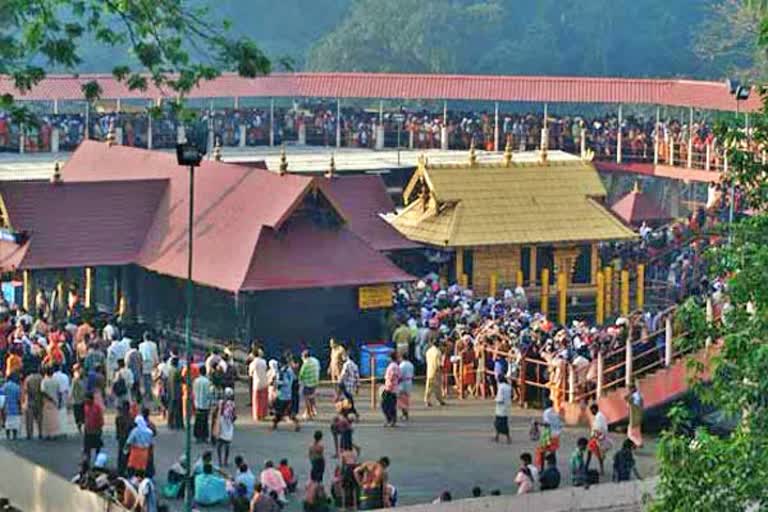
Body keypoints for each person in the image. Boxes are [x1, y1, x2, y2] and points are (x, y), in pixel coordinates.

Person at [272, 357, 299, 431]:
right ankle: (296, 423)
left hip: (282, 395)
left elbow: (285, 382)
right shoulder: (290, 370)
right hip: (288, 394)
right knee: (288, 411)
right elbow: (294, 379)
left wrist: (277, 382)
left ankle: (275, 424)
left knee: (279, 411)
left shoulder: (284, 371)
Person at [535, 401, 564, 469]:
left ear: (546, 404)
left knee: (542, 452)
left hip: (548, 435)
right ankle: (553, 467)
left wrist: (538, 423)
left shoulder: (546, 412)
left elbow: (547, 424)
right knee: (553, 452)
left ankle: (542, 468)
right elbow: (560, 424)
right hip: (556, 435)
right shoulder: (555, 413)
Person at [586, 403, 612, 475]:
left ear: (594, 409)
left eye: (591, 411)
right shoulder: (600, 416)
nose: (591, 413)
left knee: (592, 452)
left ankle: (587, 466)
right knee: (596, 454)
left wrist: (593, 437)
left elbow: (598, 428)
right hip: (599, 437)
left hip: (598, 437)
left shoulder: (599, 417)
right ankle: (601, 469)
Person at [215, 387, 236, 466]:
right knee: (227, 444)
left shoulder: (221, 403)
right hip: (228, 425)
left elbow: (216, 412)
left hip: (221, 423)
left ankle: (220, 461)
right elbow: (234, 416)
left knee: (219, 444)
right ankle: (225, 461)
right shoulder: (232, 404)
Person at [193, 366, 212, 443]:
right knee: (205, 421)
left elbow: (194, 392)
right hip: (205, 404)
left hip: (197, 403)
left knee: (198, 421)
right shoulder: (207, 382)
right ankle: (204, 436)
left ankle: (198, 436)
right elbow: (209, 394)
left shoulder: (196, 381)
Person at [82, 392, 104, 463]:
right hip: (88, 430)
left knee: (97, 447)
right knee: (87, 448)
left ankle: (98, 461)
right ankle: (86, 461)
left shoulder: (97, 407)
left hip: (96, 430)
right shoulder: (85, 406)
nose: (85, 401)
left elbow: (100, 419)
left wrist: (99, 429)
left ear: (91, 400)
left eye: (87, 399)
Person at [299, 349, 320, 420]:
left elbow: (301, 375)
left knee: (306, 398)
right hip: (315, 382)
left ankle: (309, 413)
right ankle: (313, 410)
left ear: (304, 357)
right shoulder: (316, 361)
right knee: (311, 396)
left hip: (308, 384)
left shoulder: (305, 364)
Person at [22, 369, 43, 440]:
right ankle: (40, 433)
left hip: (30, 400)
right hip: (39, 400)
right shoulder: (41, 378)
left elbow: (26, 390)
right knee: (40, 419)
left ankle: (29, 434)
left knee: (29, 420)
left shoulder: (28, 378)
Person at [40, 366, 60, 439]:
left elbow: (43, 391)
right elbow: (58, 391)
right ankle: (54, 433)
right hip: (55, 400)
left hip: (47, 401)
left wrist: (50, 398)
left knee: (47, 419)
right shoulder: (56, 381)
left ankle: (48, 434)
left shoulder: (44, 381)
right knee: (54, 418)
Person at [337, 354, 359, 421]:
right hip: (351, 386)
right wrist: (357, 387)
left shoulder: (346, 364)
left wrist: (339, 382)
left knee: (345, 401)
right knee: (349, 400)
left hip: (345, 385)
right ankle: (353, 414)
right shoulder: (355, 365)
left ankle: (346, 415)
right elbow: (357, 377)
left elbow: (343, 375)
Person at [249, 348, 268, 421]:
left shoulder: (253, 363)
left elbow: (250, 374)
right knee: (263, 400)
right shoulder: (264, 361)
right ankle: (263, 415)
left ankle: (257, 415)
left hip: (256, 383)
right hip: (264, 382)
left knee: (256, 400)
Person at [138, 332, 159, 401]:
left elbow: (140, 355)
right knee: (151, 379)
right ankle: (150, 393)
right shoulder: (154, 345)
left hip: (144, 363)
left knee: (145, 379)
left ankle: (147, 393)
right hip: (151, 363)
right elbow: (155, 354)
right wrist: (157, 362)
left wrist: (140, 364)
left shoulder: (141, 345)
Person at [381, 352, 400, 427]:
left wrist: (389, 386)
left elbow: (392, 376)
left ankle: (390, 419)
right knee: (392, 405)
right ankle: (392, 420)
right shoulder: (396, 366)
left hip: (389, 388)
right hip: (393, 388)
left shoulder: (392, 366)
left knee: (384, 405)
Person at [424, 341, 445, 407]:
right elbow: (439, 364)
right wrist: (442, 370)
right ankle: (439, 400)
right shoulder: (438, 352)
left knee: (429, 386)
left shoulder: (428, 351)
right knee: (438, 387)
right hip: (436, 371)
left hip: (429, 370)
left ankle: (427, 400)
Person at [115, 400, 133, 476]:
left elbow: (118, 429)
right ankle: (123, 470)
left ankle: (121, 470)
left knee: (123, 454)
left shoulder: (120, 417)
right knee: (125, 454)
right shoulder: (130, 417)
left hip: (124, 439)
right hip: (125, 439)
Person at [2, 373, 21, 440]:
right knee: (15, 421)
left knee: (7, 422)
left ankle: (8, 436)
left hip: (7, 406)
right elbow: (18, 398)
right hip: (15, 406)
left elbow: (2, 396)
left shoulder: (4, 386)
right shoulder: (17, 386)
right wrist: (20, 407)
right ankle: (14, 435)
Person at [493, 375, 511, 444]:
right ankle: (497, 436)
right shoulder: (508, 386)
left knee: (498, 423)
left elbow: (500, 398)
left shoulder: (501, 387)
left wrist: (496, 400)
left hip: (500, 407)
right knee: (504, 422)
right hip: (506, 406)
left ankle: (505, 437)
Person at [166, 357, 183, 430]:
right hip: (176, 392)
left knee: (171, 408)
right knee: (178, 409)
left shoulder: (169, 370)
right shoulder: (177, 371)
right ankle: (178, 424)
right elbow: (182, 380)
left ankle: (170, 423)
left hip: (170, 392)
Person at [625, 384, 644, 448]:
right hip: (639, 415)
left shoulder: (633, 396)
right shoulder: (639, 395)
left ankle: (638, 443)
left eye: (629, 389)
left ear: (632, 389)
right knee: (637, 432)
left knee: (630, 434)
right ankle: (637, 443)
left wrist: (627, 399)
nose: (628, 391)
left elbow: (631, 404)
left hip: (634, 416)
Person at [397, 352, 414, 421]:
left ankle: (404, 413)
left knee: (401, 399)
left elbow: (399, 375)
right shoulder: (411, 364)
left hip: (403, 382)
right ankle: (405, 413)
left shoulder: (402, 365)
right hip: (409, 382)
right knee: (406, 398)